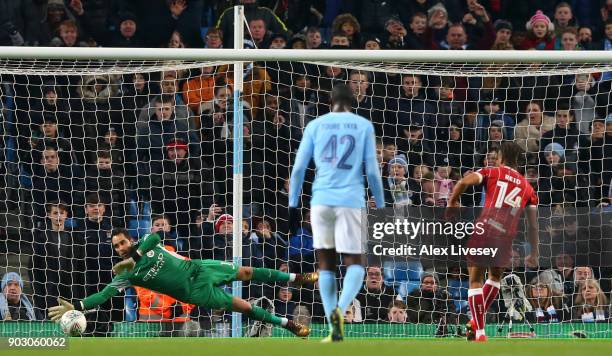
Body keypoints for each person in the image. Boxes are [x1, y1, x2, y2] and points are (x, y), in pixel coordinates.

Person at [47, 230, 317, 337]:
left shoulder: (145, 245)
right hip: (194, 292)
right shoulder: (125, 274)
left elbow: (155, 236)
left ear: (130, 241)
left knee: (247, 271)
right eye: (116, 246)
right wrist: (79, 305)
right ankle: (289, 325)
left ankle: (297, 279)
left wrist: (136, 256)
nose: (120, 248)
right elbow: (104, 295)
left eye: (122, 243)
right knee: (244, 306)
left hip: (200, 269)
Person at [289, 84, 385, 342]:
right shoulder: (363, 125)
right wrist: (382, 205)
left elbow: (298, 169)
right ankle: (340, 312)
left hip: (321, 200)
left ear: (330, 102)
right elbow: (374, 172)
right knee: (355, 263)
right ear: (353, 102)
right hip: (351, 200)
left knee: (326, 266)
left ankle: (333, 317)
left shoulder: (315, 125)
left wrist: (292, 202)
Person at [447, 141, 540, 342]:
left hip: (485, 230)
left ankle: (479, 332)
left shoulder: (492, 172)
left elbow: (463, 182)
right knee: (495, 278)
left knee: (475, 280)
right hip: (506, 238)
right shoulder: (528, 188)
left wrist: (452, 202)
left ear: (501, 158)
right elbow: (533, 226)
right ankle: (474, 323)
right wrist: (534, 253)